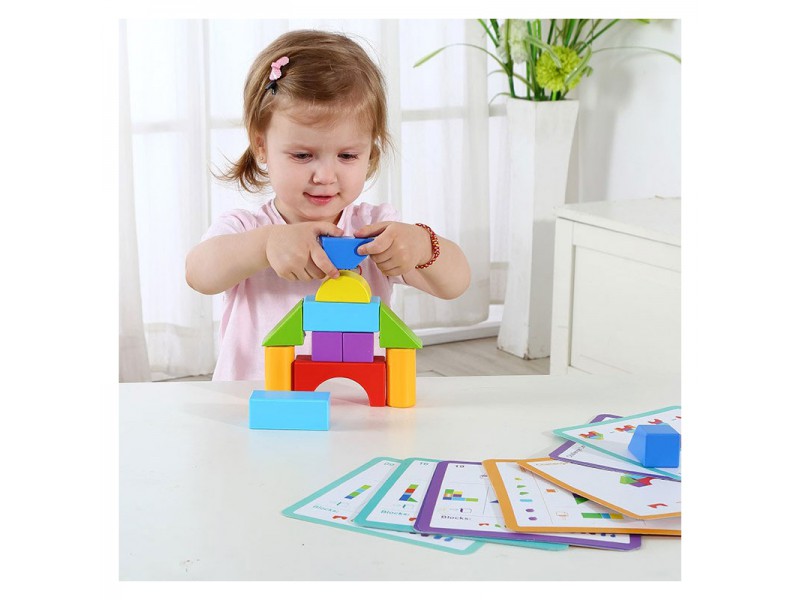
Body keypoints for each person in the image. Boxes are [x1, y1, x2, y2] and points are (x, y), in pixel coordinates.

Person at [185, 29, 471, 381]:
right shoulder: (246, 229)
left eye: (347, 155)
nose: (324, 176)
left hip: (353, 403)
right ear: (261, 146)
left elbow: (456, 283)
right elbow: (198, 274)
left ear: (370, 154)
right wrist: (266, 245)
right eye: (302, 155)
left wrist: (422, 245)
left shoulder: (374, 230)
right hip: (256, 403)